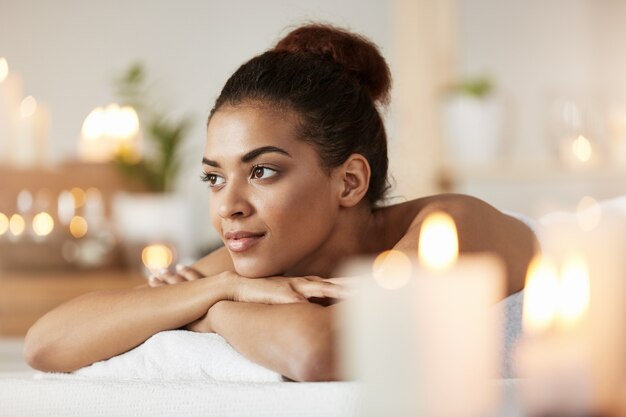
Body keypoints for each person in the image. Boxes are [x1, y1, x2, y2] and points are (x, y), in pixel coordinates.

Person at [24, 23, 537, 382]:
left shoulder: (449, 229)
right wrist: (220, 289)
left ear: (350, 181)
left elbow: (319, 353)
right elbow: (46, 344)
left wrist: (206, 308)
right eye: (213, 178)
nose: (229, 205)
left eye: (262, 171)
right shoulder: (258, 257)